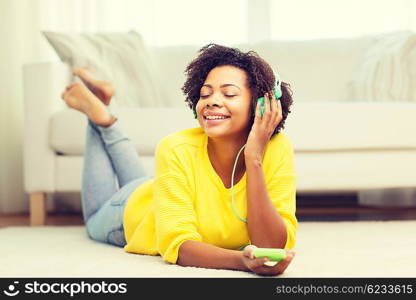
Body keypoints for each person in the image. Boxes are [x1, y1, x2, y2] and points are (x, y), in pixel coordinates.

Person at [61, 43, 296, 276]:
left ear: (261, 106)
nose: (212, 100)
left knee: (147, 181)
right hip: (133, 211)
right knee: (93, 223)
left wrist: (253, 158)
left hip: (158, 190)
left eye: (229, 93)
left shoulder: (276, 149)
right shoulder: (174, 147)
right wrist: (241, 261)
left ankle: (102, 107)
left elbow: (273, 244)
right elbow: (179, 245)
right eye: (205, 94)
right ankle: (100, 116)